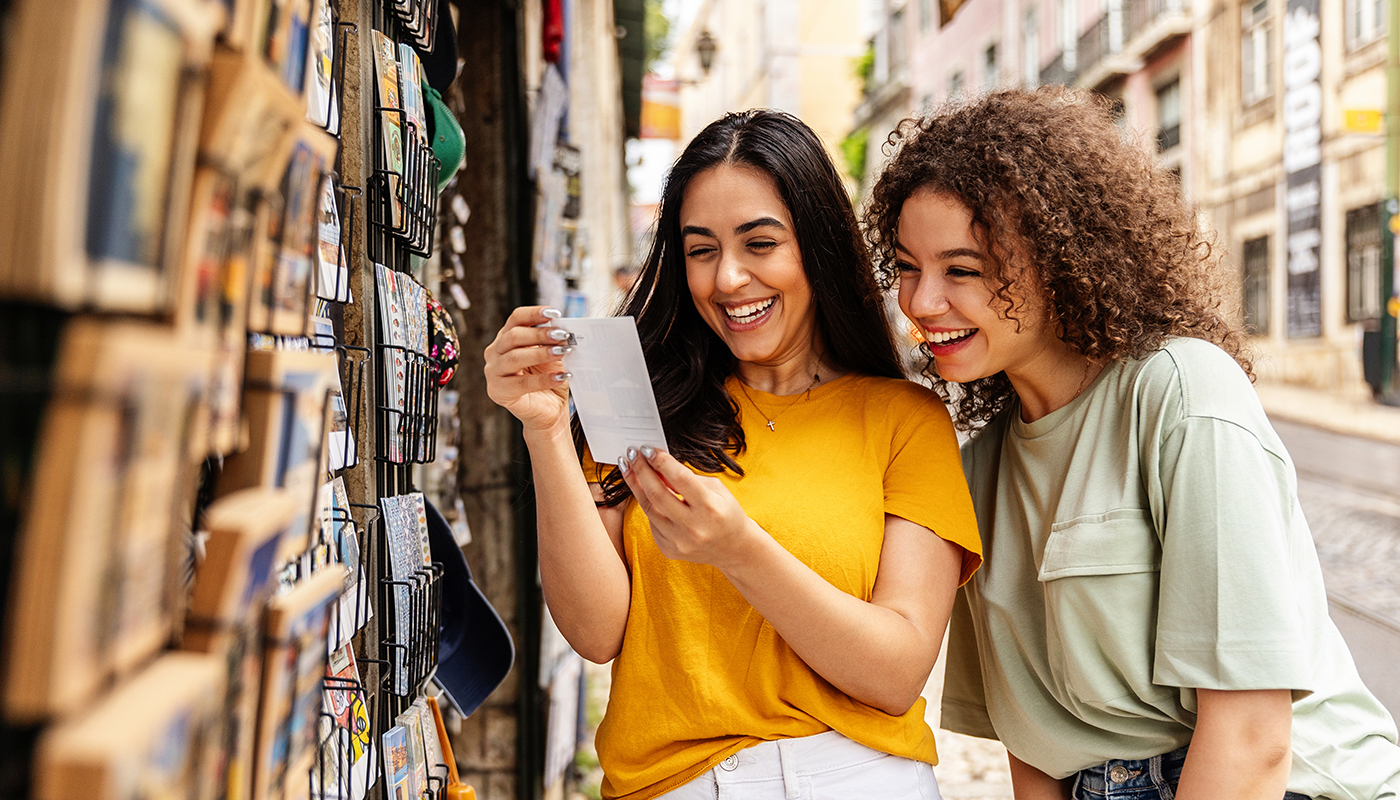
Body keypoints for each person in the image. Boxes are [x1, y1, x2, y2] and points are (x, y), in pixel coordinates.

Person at [865, 85, 1400, 800]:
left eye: (963, 269)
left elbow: (1251, 741)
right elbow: (1036, 748)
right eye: (906, 266)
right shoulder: (975, 466)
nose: (920, 303)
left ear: (1061, 258)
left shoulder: (1181, 393)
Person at [484, 109, 982, 800]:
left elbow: (896, 673)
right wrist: (543, 431)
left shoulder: (904, 420)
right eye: (701, 250)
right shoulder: (637, 407)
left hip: (857, 778)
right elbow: (598, 633)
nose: (727, 279)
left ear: (816, 245)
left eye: (760, 243)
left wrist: (737, 548)